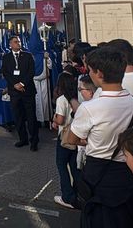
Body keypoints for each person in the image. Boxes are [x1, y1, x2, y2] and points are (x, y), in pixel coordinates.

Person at [66, 47, 133, 227]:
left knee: (98, 218)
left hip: (99, 170)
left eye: (90, 70)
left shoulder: (91, 107)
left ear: (99, 73)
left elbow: (71, 140)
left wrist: (92, 140)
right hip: (131, 171)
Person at [2, 36, 39, 151]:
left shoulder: (28, 56)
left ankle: (34, 141)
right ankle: (23, 139)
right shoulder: (6, 57)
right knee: (18, 117)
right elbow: (6, 73)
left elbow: (31, 72)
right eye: (15, 42)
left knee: (31, 117)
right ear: (10, 45)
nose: (18, 43)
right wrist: (15, 85)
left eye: (19, 41)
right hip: (14, 92)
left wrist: (22, 84)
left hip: (27, 91)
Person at [52, 71, 81, 210]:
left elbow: (60, 120)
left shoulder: (61, 99)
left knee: (62, 165)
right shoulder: (77, 97)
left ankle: (67, 196)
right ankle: (77, 192)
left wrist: (54, 120)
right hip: (77, 136)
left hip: (64, 136)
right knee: (74, 166)